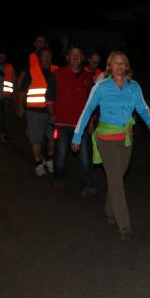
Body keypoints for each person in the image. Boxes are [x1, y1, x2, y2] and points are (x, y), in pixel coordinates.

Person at [71, 51, 150, 241]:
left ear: (126, 66)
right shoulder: (101, 87)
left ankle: (110, 210)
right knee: (117, 183)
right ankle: (124, 225)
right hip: (106, 139)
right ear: (109, 66)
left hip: (126, 138)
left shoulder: (134, 87)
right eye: (115, 63)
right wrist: (77, 136)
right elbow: (87, 111)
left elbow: (142, 107)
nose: (119, 66)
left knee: (117, 176)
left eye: (122, 63)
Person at [52, 46, 97, 196]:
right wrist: (51, 113)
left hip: (81, 125)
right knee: (61, 153)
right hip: (62, 122)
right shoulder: (58, 74)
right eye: (72, 55)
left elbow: (92, 102)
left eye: (78, 55)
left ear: (82, 58)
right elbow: (49, 97)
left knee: (85, 155)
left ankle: (87, 185)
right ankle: (58, 177)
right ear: (67, 58)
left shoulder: (87, 77)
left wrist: (91, 121)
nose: (75, 57)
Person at [16, 48, 57, 177]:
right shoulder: (31, 72)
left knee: (53, 139)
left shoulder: (57, 71)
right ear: (39, 58)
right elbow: (22, 90)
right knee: (36, 140)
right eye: (44, 56)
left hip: (52, 113)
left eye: (49, 56)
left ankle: (50, 160)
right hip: (34, 112)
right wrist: (20, 106)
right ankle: (38, 163)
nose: (46, 59)